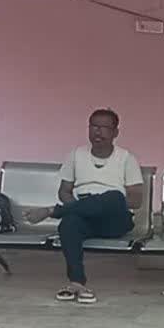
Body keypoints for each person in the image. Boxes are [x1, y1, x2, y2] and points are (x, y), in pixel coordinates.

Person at [23, 108, 143, 305]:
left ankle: (52, 211)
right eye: (94, 126)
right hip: (85, 217)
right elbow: (64, 192)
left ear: (115, 132)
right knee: (68, 223)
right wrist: (83, 207)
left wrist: (101, 203)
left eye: (104, 127)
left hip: (115, 220)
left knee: (113, 197)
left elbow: (136, 201)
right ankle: (77, 282)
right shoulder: (76, 155)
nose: (98, 131)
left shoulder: (126, 159)